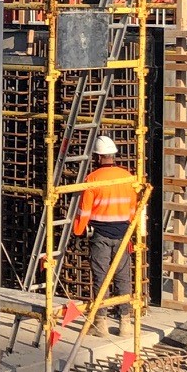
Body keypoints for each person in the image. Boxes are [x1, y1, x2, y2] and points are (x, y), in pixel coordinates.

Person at [72, 135, 141, 335]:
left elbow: (84, 211)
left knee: (101, 277)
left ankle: (101, 323)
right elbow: (132, 207)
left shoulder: (92, 179)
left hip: (100, 234)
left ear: (98, 157)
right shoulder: (127, 177)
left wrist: (77, 232)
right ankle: (125, 324)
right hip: (123, 233)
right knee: (123, 277)